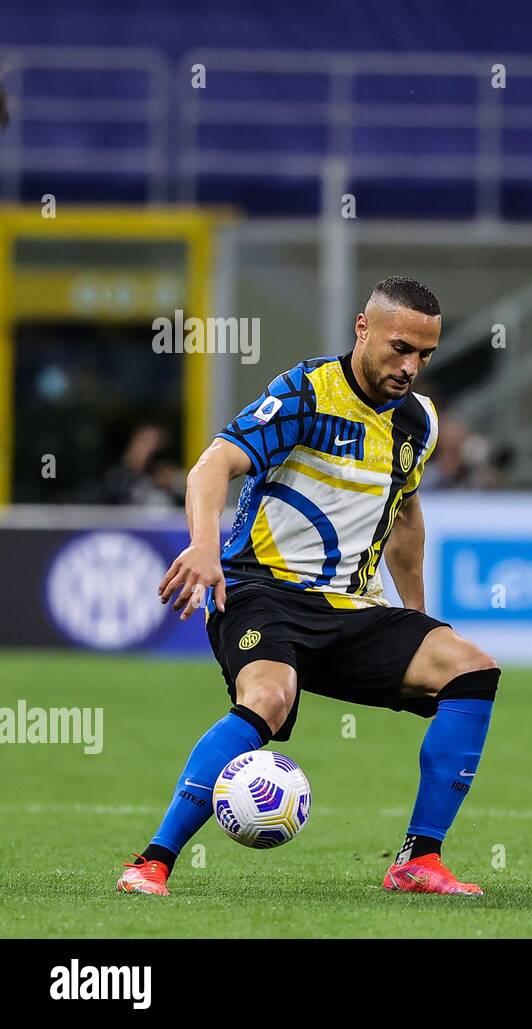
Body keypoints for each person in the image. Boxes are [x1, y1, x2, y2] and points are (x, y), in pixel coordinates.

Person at [116, 276, 499, 897]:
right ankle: (153, 861)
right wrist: (205, 547)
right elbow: (213, 465)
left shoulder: (418, 422)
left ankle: (418, 861)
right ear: (363, 328)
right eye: (400, 348)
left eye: (425, 355)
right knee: (270, 695)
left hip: (350, 608)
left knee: (471, 669)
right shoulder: (305, 392)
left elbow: (404, 517)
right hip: (257, 590)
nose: (411, 367)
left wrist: (419, 619)